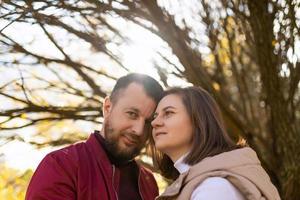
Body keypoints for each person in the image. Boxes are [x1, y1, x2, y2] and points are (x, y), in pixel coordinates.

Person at [26, 73, 164, 200]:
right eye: (132, 114)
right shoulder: (61, 165)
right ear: (108, 107)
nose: (139, 130)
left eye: (148, 122)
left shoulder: (148, 182)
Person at [150, 87, 280, 200]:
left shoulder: (214, 187)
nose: (154, 122)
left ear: (199, 120)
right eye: (155, 116)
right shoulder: (202, 181)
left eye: (168, 113)